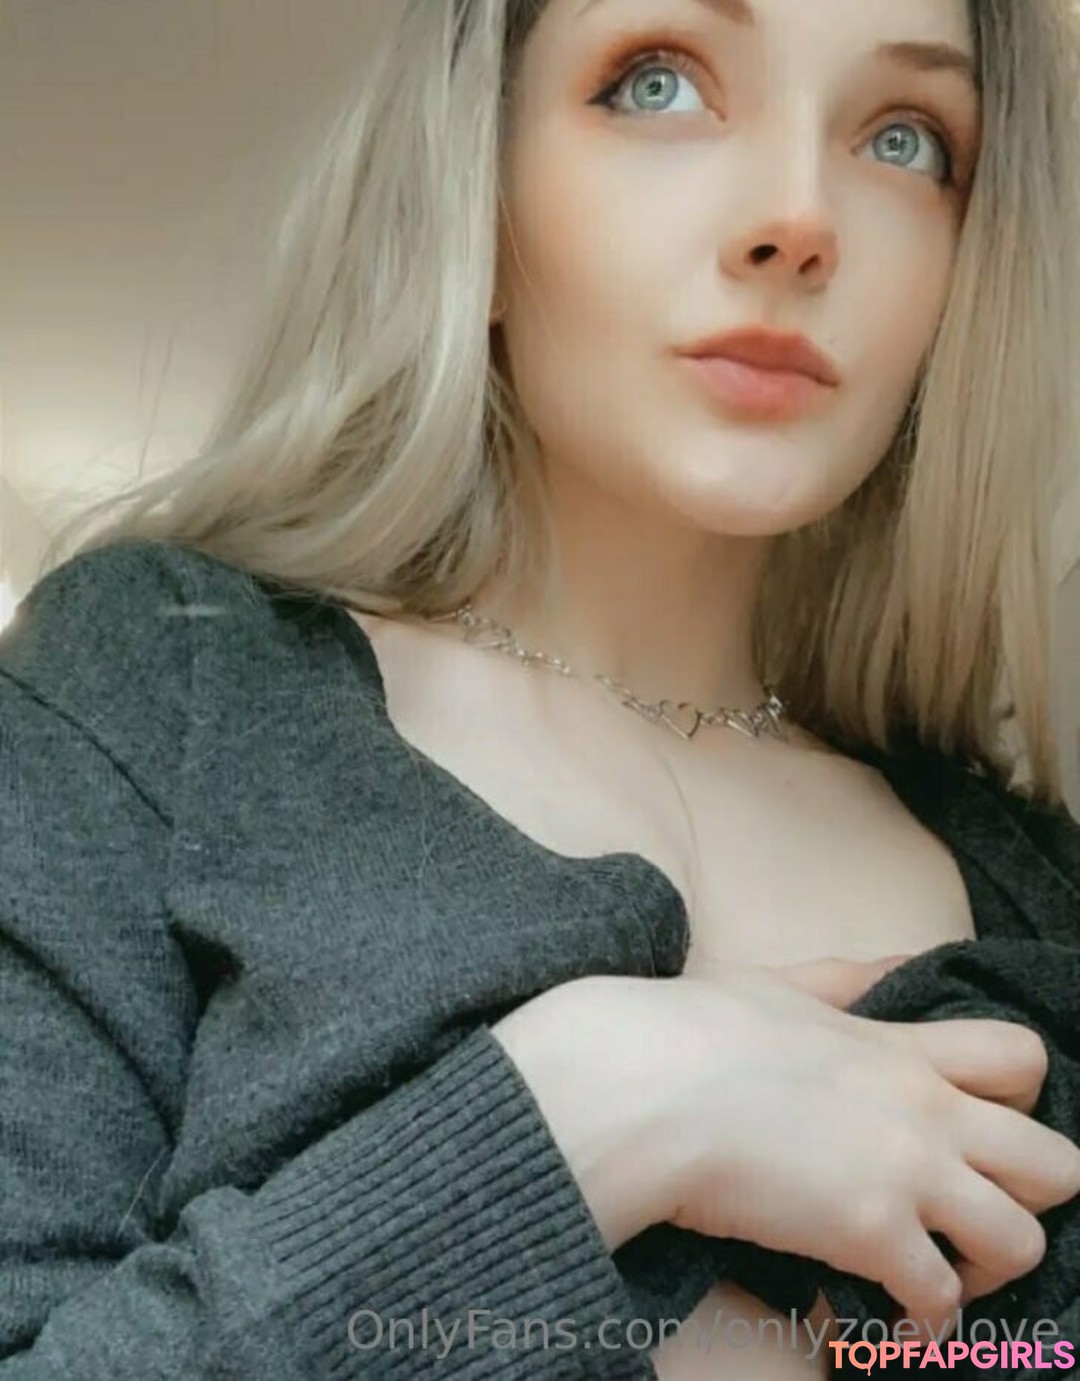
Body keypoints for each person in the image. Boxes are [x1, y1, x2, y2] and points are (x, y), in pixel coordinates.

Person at [5, 0, 1080, 1376]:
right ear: (480, 185)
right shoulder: (160, 688)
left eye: (905, 138)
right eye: (657, 82)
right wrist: (605, 1113)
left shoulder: (1036, 887)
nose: (800, 218)